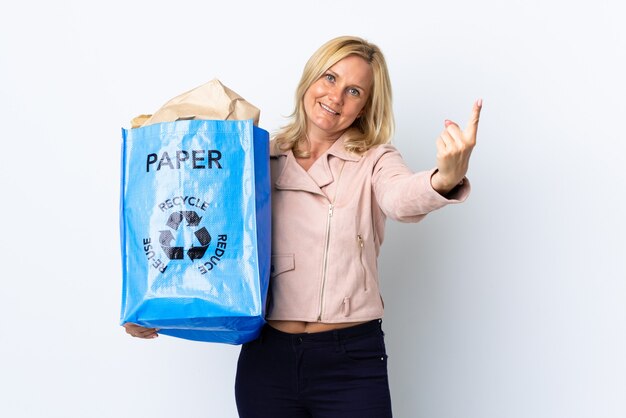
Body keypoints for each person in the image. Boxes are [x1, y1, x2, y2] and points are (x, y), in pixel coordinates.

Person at [124, 35, 481, 417]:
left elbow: (401, 198)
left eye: (354, 90)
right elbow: (207, 241)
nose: (336, 96)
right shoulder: (254, 155)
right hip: (267, 359)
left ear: (364, 107)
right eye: (329, 78)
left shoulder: (375, 160)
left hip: (351, 362)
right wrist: (151, 310)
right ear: (310, 80)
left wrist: (444, 177)